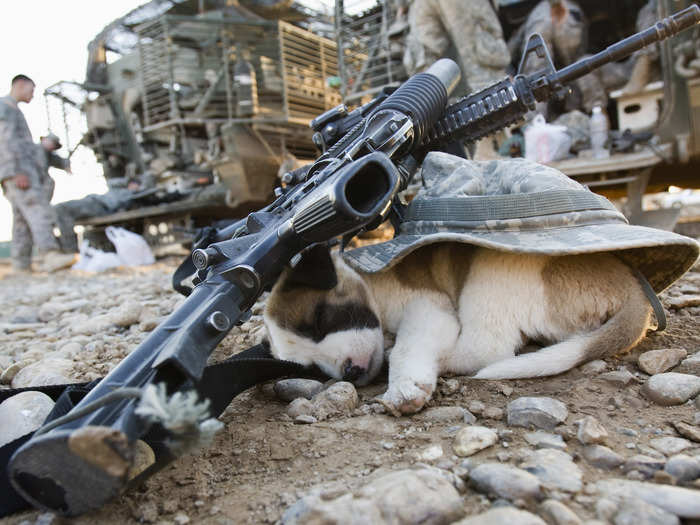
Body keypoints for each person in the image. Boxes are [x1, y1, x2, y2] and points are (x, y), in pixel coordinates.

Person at [0, 75, 76, 273]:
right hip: (19, 173)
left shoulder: (12, 109)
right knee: (39, 212)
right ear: (20, 84)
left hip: (17, 173)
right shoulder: (6, 108)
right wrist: (16, 172)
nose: (32, 95)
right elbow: (5, 142)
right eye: (31, 90)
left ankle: (21, 264)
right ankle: (50, 255)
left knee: (22, 221)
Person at [34, 132, 71, 204]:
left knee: (49, 182)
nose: (53, 146)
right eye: (52, 142)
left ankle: (43, 205)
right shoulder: (33, 149)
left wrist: (67, 166)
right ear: (44, 139)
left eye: (54, 145)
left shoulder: (48, 155)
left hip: (40, 184)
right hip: (28, 180)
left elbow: (60, 161)